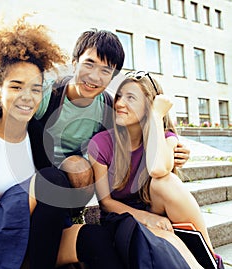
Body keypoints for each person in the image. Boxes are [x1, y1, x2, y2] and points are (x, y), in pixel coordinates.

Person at [0, 17, 125, 269]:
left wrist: (171, 144)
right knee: (51, 180)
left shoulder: (42, 134)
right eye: (16, 86)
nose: (28, 96)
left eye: (34, 89)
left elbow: (131, 139)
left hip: (36, 212)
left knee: (96, 239)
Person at [0, 29, 190, 215]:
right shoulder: (47, 92)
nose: (94, 77)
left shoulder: (109, 106)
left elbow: (138, 132)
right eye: (89, 64)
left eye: (106, 70)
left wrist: (173, 146)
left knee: (79, 167)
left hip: (74, 175)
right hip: (34, 163)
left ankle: (71, 215)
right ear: (74, 62)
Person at [87, 71, 216, 268]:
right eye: (119, 96)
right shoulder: (101, 143)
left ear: (148, 106)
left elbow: (157, 170)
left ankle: (211, 259)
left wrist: (157, 115)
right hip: (122, 218)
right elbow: (105, 202)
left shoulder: (165, 137)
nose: (119, 103)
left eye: (131, 98)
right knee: (168, 241)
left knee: (165, 181)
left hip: (155, 207)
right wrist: (147, 218)